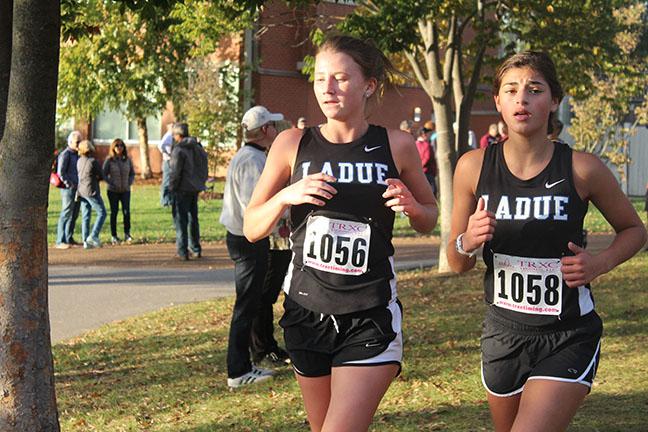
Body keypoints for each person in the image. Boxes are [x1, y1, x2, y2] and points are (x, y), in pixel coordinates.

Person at [243, 35, 438, 431]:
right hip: (306, 311)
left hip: (369, 313)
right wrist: (286, 194)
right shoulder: (291, 144)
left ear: (369, 85)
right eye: (319, 79)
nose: (327, 89)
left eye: (341, 79)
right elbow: (251, 227)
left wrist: (414, 208)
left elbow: (429, 217)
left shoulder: (397, 145)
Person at [447, 51, 647, 432]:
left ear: (554, 100)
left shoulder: (582, 168)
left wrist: (599, 263)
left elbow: (635, 230)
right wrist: (466, 241)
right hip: (503, 334)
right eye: (511, 90)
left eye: (534, 89)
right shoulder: (473, 167)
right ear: (498, 102)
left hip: (567, 334)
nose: (522, 99)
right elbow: (458, 262)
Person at [220, 105, 285, 388]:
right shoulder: (251, 160)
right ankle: (238, 370)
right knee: (246, 306)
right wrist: (280, 216)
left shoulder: (254, 157)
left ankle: (246, 363)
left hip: (248, 238)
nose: (277, 130)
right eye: (273, 125)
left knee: (251, 303)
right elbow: (253, 207)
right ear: (266, 130)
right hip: (248, 240)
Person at [168, 122, 208, 260]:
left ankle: (182, 250)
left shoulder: (179, 150)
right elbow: (204, 167)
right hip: (195, 188)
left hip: (182, 188)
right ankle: (196, 248)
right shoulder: (198, 148)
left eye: (174, 134)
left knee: (181, 220)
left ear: (178, 135)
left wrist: (171, 187)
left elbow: (175, 172)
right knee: (193, 219)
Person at [102, 138, 135, 244]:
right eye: (117, 146)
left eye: (121, 146)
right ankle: (114, 235)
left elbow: (132, 173)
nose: (119, 148)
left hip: (125, 190)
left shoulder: (127, 159)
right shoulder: (110, 160)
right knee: (114, 212)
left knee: (126, 212)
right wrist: (111, 182)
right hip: (113, 191)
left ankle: (127, 233)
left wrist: (129, 182)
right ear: (113, 147)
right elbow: (104, 173)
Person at [76, 140, 107, 249]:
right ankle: (93, 235)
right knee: (102, 212)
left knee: (86, 215)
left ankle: (85, 241)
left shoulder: (79, 161)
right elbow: (101, 175)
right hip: (91, 190)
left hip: (81, 190)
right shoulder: (93, 161)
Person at [55, 131, 82, 249]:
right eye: (77, 142)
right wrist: (69, 184)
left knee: (74, 214)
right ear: (70, 142)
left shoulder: (78, 155)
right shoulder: (65, 154)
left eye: (80, 141)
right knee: (66, 213)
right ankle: (60, 240)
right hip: (68, 189)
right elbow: (61, 172)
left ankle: (68, 238)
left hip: (78, 188)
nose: (79, 144)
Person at [415, 125, 438, 196]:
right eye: (428, 134)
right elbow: (427, 157)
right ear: (424, 134)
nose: (429, 135)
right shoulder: (427, 145)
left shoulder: (414, 144)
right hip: (428, 171)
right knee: (432, 192)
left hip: (418, 172)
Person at [158, 123, 174, 207]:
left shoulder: (172, 136)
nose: (173, 128)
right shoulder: (168, 136)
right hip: (167, 161)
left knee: (170, 182)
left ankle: (169, 200)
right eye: (172, 126)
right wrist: (167, 153)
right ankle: (164, 201)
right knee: (166, 181)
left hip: (171, 161)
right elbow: (160, 146)